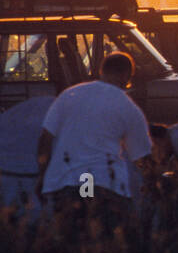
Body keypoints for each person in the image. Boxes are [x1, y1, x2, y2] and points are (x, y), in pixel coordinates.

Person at [36, 51, 152, 230]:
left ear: (101, 70)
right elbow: (142, 156)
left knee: (72, 239)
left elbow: (46, 139)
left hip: (64, 182)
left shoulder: (69, 95)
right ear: (125, 75)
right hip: (94, 181)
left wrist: (42, 176)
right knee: (99, 235)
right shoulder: (126, 105)